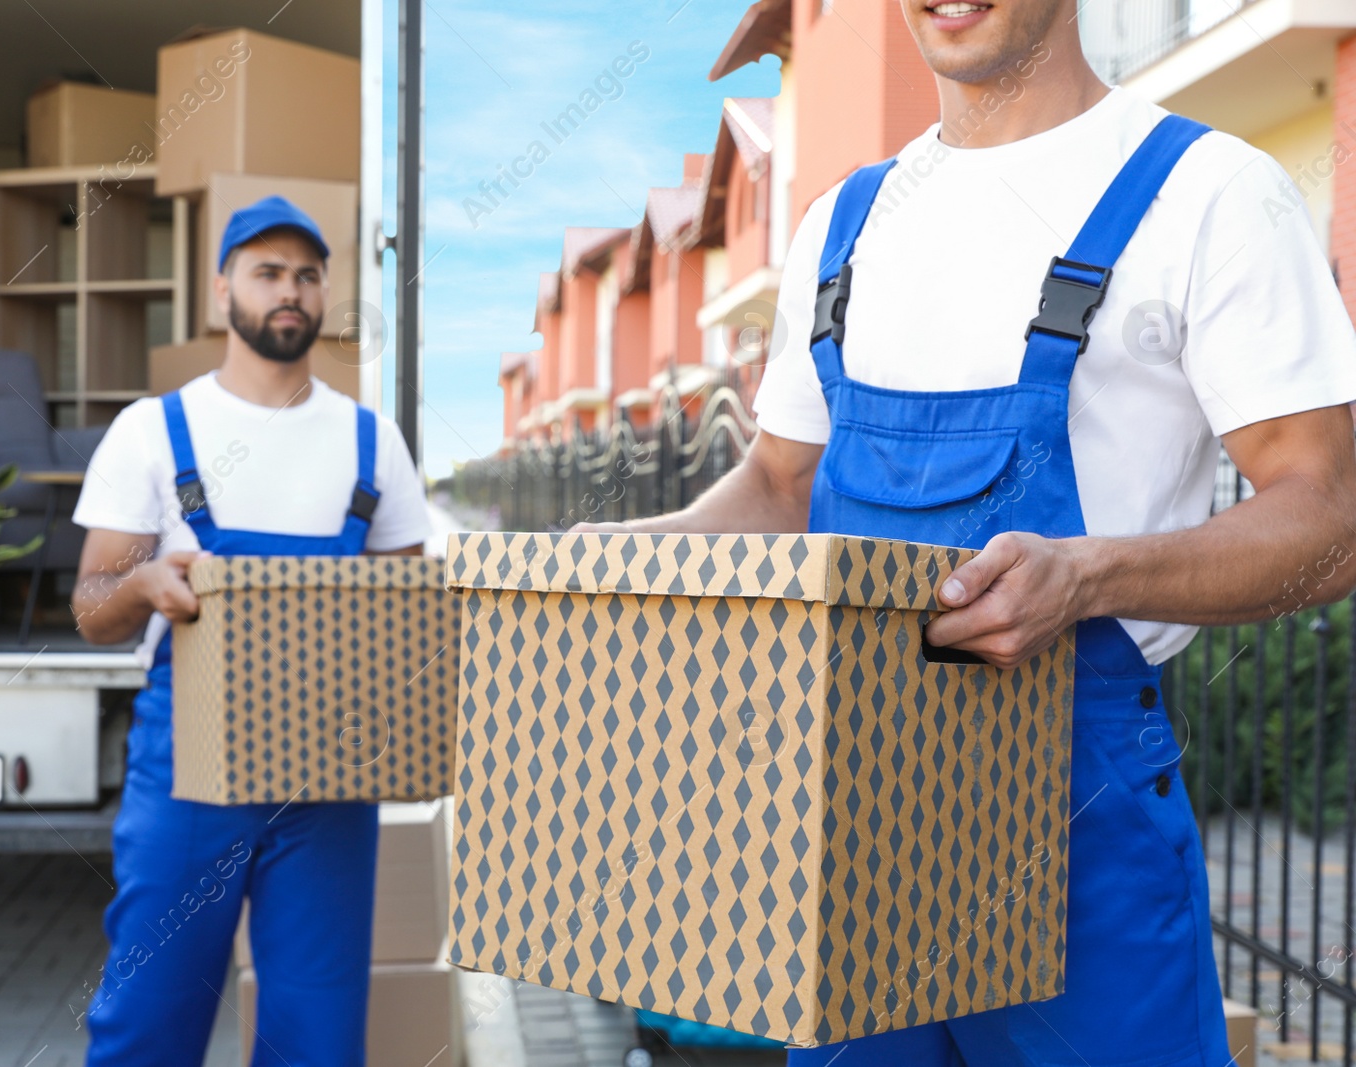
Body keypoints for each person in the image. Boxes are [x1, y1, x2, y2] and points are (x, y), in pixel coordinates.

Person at [577, 1, 1356, 1064]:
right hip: (847, 825)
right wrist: (614, 560)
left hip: (1081, 827)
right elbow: (775, 484)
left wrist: (1087, 577)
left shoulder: (1209, 194)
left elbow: (1330, 517)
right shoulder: (843, 223)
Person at [69, 195, 433, 1066]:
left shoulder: (369, 441)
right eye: (268, 271)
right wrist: (147, 581)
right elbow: (89, 604)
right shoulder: (153, 430)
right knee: (148, 1020)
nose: (291, 291)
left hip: (334, 773)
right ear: (222, 287)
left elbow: (411, 611)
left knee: (318, 1031)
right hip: (188, 766)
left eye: (307, 275)